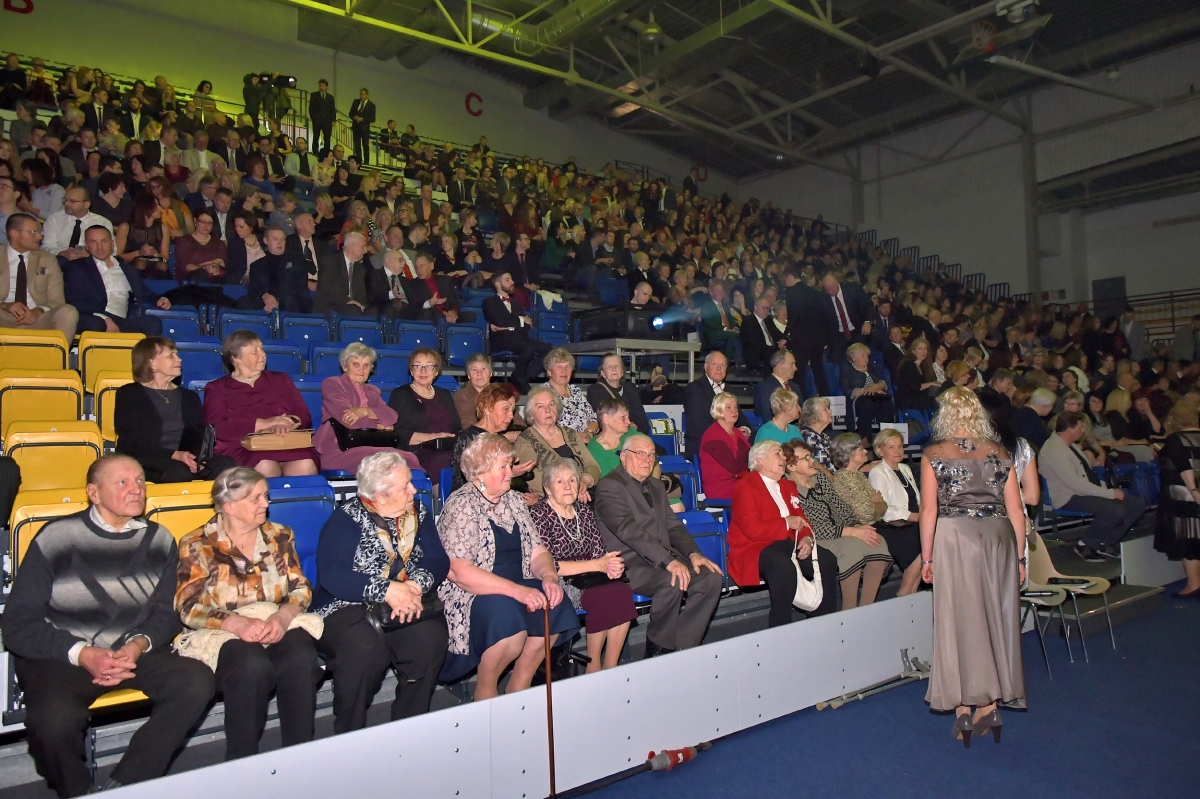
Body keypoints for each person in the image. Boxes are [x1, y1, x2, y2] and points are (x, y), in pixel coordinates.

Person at [1, 456, 215, 798]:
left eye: (141, 481)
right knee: (52, 720)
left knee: (196, 681)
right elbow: (18, 623)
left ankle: (126, 783)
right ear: (94, 493)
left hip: (132, 652)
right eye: (123, 482)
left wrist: (137, 645)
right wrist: (83, 653)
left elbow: (167, 613)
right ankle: (77, 791)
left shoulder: (159, 539)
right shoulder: (56, 537)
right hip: (66, 655)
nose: (137, 489)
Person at [174, 468, 319, 760]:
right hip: (222, 630)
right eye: (255, 498)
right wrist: (236, 623)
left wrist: (282, 617)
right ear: (229, 506)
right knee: (251, 666)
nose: (266, 503)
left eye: (265, 495)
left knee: (301, 656)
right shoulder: (197, 544)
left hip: (273, 619)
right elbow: (187, 606)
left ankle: (300, 754)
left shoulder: (279, 535)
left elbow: (300, 587)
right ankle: (242, 760)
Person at [919, 387, 1027, 745]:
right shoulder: (999, 451)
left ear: (944, 415)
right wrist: (1021, 556)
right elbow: (1016, 509)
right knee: (995, 617)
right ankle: (991, 705)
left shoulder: (934, 453)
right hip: (998, 537)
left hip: (956, 537)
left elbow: (929, 510)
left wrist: (927, 557)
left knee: (959, 619)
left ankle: (963, 708)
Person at [312, 452, 450, 729]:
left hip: (406, 596)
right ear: (381, 496)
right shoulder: (346, 519)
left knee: (429, 639)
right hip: (346, 605)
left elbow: (438, 559)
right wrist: (388, 591)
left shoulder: (418, 513)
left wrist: (413, 586)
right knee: (363, 649)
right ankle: (350, 730)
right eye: (405, 486)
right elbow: (333, 575)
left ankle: (408, 725)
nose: (414, 490)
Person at [437, 434, 579, 697]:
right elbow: (459, 571)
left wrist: (549, 577)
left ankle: (519, 688)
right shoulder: (462, 504)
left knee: (555, 603)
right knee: (508, 620)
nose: (509, 472)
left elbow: (537, 550)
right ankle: (486, 694)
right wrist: (517, 591)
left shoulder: (513, 500)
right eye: (502, 466)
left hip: (518, 582)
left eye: (509, 465)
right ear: (480, 472)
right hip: (474, 592)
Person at [594, 434, 723, 656]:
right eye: (640, 454)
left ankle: (683, 647)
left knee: (711, 577)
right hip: (630, 564)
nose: (647, 459)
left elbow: (673, 526)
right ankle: (658, 650)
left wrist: (693, 554)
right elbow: (628, 530)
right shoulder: (609, 486)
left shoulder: (656, 485)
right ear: (623, 457)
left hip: (663, 559)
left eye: (651, 455)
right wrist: (668, 561)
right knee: (672, 580)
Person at [529, 460, 636, 672]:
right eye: (560, 481)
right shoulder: (538, 514)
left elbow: (598, 552)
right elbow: (550, 565)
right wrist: (597, 565)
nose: (567, 486)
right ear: (547, 488)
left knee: (622, 591)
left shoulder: (584, 511)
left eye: (572, 480)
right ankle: (593, 665)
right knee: (602, 597)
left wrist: (610, 565)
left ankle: (611, 666)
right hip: (559, 581)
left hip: (591, 576)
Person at [728, 440, 839, 627]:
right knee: (783, 567)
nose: (783, 458)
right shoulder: (745, 486)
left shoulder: (788, 486)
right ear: (759, 460)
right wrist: (786, 522)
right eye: (777, 453)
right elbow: (752, 529)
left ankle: (823, 622)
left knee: (827, 560)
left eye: (783, 454)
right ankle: (780, 627)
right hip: (756, 548)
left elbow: (801, 519)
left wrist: (806, 538)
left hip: (789, 543)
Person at [785, 440, 891, 609]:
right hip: (815, 538)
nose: (813, 461)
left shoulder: (819, 478)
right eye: (806, 458)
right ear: (791, 466)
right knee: (851, 548)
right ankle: (849, 608)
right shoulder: (787, 488)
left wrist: (856, 526)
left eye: (811, 456)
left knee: (876, 540)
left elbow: (841, 507)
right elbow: (807, 527)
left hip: (842, 532)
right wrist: (849, 532)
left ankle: (867, 607)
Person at [114, 337, 237, 483]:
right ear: (151, 362)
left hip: (184, 458)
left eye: (177, 354)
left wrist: (197, 458)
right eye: (171, 355)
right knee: (178, 472)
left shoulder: (189, 396)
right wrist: (174, 455)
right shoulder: (129, 394)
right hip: (146, 457)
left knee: (227, 467)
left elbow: (198, 434)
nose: (179, 359)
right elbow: (132, 442)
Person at [203, 330, 319, 477]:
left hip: (285, 442)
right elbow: (217, 426)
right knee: (265, 466)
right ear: (236, 357)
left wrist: (286, 423)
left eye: (261, 348)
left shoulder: (280, 379)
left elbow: (303, 414)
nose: (263, 354)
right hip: (244, 448)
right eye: (254, 351)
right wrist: (264, 424)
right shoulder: (217, 388)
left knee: (305, 464)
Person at [1041, 412, 1146, 562]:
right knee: (1114, 510)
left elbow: (1082, 473)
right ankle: (1085, 544)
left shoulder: (1070, 446)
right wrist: (1110, 493)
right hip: (1069, 497)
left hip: (1082, 491)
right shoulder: (1054, 450)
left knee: (1137, 504)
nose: (1083, 431)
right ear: (1070, 429)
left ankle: (1105, 541)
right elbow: (1076, 483)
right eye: (1080, 427)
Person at [312, 343, 419, 474]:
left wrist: (366, 411)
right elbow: (348, 419)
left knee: (409, 457)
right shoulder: (333, 384)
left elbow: (392, 416)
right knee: (399, 459)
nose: (361, 370)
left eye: (366, 365)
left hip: (370, 445)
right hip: (340, 449)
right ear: (345, 366)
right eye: (355, 364)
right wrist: (378, 425)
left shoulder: (373, 391)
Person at [64, 224, 168, 335]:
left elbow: (144, 292)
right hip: (94, 317)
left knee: (153, 324)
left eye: (104, 241)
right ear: (87, 246)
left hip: (121, 321)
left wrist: (159, 299)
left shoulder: (127, 269)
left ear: (112, 243)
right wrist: (104, 318)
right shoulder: (77, 267)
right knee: (96, 324)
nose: (99, 247)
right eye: (93, 242)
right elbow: (75, 302)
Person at [387, 347, 461, 483]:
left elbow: (456, 428)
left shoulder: (444, 394)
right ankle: (442, 497)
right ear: (411, 371)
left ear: (436, 371)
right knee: (443, 460)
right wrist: (434, 437)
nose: (423, 370)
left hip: (446, 447)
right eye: (418, 366)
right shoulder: (401, 394)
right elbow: (398, 434)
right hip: (416, 451)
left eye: (429, 366)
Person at [514, 385, 601, 499]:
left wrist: (584, 482)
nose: (548, 410)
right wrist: (571, 487)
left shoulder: (571, 433)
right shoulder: (526, 440)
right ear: (531, 414)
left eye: (551, 404)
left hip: (583, 494)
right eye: (540, 406)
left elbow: (592, 465)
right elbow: (532, 478)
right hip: (551, 500)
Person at [1, 214, 80, 339]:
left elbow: (57, 300)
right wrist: (5, 305)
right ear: (14, 233)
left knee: (68, 312)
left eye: (39, 232)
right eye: (33, 232)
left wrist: (38, 311)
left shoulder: (47, 259)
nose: (39, 236)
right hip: (4, 316)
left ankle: (57, 352)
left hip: (38, 318)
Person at [869, 428, 926, 597]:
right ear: (880, 451)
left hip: (912, 521)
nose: (898, 451)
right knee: (920, 542)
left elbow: (917, 500)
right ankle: (904, 592)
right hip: (891, 524)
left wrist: (924, 515)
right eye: (891, 447)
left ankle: (911, 593)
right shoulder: (878, 472)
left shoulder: (905, 468)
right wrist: (916, 517)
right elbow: (885, 509)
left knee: (932, 537)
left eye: (900, 446)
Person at [1154, 401, 1200, 598]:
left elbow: (1183, 465)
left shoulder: (1176, 439)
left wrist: (1194, 490)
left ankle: (1194, 584)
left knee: (1188, 540)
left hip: (1183, 495)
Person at [452, 382, 530, 490]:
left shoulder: (501, 439)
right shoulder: (469, 440)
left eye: (512, 410)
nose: (511, 416)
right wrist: (509, 473)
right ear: (487, 408)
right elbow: (468, 483)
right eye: (506, 409)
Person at [483, 270, 550, 393]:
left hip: (521, 339)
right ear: (497, 284)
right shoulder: (489, 302)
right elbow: (501, 321)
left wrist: (509, 324)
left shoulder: (515, 303)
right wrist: (520, 320)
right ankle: (521, 378)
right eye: (507, 280)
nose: (512, 282)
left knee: (550, 349)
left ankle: (523, 375)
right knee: (528, 348)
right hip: (502, 340)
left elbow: (528, 325)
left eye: (511, 279)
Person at [684, 351, 749, 455]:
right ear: (706, 367)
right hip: (703, 444)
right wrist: (731, 433)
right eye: (714, 364)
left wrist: (745, 429)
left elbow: (740, 416)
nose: (719, 368)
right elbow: (699, 424)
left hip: (729, 442)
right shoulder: (694, 388)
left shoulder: (730, 389)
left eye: (722, 365)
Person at [700, 392, 751, 501]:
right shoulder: (712, 436)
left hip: (741, 484)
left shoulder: (737, 432)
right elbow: (734, 466)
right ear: (718, 410)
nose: (734, 411)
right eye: (728, 407)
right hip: (722, 489)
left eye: (735, 407)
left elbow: (750, 458)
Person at [586, 352, 651, 438]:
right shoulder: (595, 390)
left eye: (617, 366)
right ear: (603, 373)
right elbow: (607, 423)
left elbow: (643, 423)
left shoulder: (631, 388)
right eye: (609, 366)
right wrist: (630, 425)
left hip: (635, 437)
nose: (614, 369)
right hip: (612, 440)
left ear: (622, 371)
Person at [41, 186, 113, 260]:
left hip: (92, 262)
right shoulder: (55, 219)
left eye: (72, 201)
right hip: (61, 261)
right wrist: (62, 253)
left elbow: (112, 250)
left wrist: (91, 254)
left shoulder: (102, 223)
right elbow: (47, 245)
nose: (66, 204)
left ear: (86, 204)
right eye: (65, 200)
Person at [314, 230, 374, 317]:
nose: (365, 251)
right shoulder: (330, 261)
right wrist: (348, 301)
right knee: (353, 310)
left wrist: (361, 305)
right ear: (352, 245)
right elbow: (328, 288)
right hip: (331, 306)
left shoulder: (360, 269)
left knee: (373, 312)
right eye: (363, 246)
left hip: (353, 307)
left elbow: (362, 294)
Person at [841, 343, 895, 439]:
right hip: (860, 399)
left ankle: (887, 436)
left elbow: (883, 383)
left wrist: (875, 387)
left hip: (877, 397)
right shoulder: (846, 370)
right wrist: (866, 390)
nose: (866, 358)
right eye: (863, 356)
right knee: (866, 405)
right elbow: (847, 391)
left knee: (887, 404)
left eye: (867, 355)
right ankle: (866, 437)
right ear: (853, 357)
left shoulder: (872, 367)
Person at [543, 347, 597, 439]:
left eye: (567, 367)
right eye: (559, 366)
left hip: (585, 441)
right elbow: (546, 427)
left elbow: (593, 418)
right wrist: (575, 437)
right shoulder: (543, 393)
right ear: (549, 372)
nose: (564, 370)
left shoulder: (576, 390)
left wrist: (588, 434)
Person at [821, 273, 873, 365]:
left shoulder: (852, 289)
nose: (830, 291)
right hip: (838, 334)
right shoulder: (823, 298)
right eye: (827, 289)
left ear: (837, 283)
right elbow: (823, 321)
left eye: (832, 288)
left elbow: (867, 304)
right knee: (835, 360)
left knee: (861, 357)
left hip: (857, 329)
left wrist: (868, 321)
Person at [174, 209, 230, 282]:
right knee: (201, 274)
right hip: (193, 276)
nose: (206, 225)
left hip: (215, 275)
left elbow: (224, 262)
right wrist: (205, 269)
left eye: (209, 223)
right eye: (203, 222)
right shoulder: (184, 241)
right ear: (195, 221)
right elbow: (185, 265)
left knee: (232, 276)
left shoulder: (219, 243)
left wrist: (216, 266)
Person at [753, 349, 804, 422]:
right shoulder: (764, 387)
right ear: (780, 365)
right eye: (792, 364)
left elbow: (802, 413)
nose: (795, 368)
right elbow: (766, 417)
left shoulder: (795, 387)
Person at [740, 295, 785, 375]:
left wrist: (783, 340)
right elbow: (753, 342)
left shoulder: (768, 319)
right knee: (772, 353)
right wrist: (775, 348)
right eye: (763, 308)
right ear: (756, 307)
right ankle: (770, 379)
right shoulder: (748, 321)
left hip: (770, 350)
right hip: (755, 353)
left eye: (768, 308)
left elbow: (777, 334)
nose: (766, 311)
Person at [894, 337, 940, 412]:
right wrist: (931, 384)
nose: (923, 351)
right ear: (913, 351)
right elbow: (915, 387)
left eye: (925, 349)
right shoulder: (909, 365)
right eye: (920, 349)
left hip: (918, 398)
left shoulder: (923, 366)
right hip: (908, 400)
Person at [697, 279, 738, 359]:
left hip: (726, 332)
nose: (721, 293)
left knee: (741, 335)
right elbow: (708, 322)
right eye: (718, 291)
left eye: (722, 291)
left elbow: (731, 321)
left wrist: (734, 328)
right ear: (711, 293)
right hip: (712, 333)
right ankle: (727, 360)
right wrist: (725, 329)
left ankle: (740, 361)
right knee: (731, 335)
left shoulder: (726, 307)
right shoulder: (707, 305)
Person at [798, 396, 837, 477]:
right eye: (825, 409)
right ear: (813, 415)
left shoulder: (824, 436)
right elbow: (826, 466)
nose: (830, 412)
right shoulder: (808, 436)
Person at [348, 88, 375, 164]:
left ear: (367, 95)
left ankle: (366, 162)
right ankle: (358, 161)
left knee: (365, 145)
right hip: (356, 127)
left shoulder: (371, 105)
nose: (361, 96)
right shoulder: (356, 102)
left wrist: (362, 119)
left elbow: (372, 118)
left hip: (364, 128)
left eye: (363, 94)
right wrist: (354, 117)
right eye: (360, 94)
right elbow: (350, 113)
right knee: (357, 145)